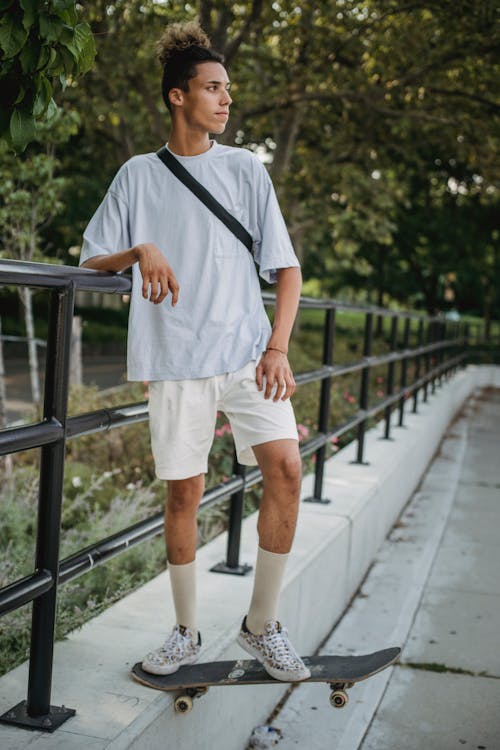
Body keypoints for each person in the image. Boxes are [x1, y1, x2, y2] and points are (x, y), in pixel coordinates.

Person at [80, 21, 310, 682]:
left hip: (247, 357)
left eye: (227, 89)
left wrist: (277, 347)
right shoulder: (136, 177)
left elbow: (286, 271)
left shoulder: (244, 170)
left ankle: (262, 627)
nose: (225, 99)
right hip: (175, 362)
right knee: (184, 497)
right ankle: (184, 633)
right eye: (213, 88)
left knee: (287, 471)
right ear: (179, 97)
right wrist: (138, 252)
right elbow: (92, 260)